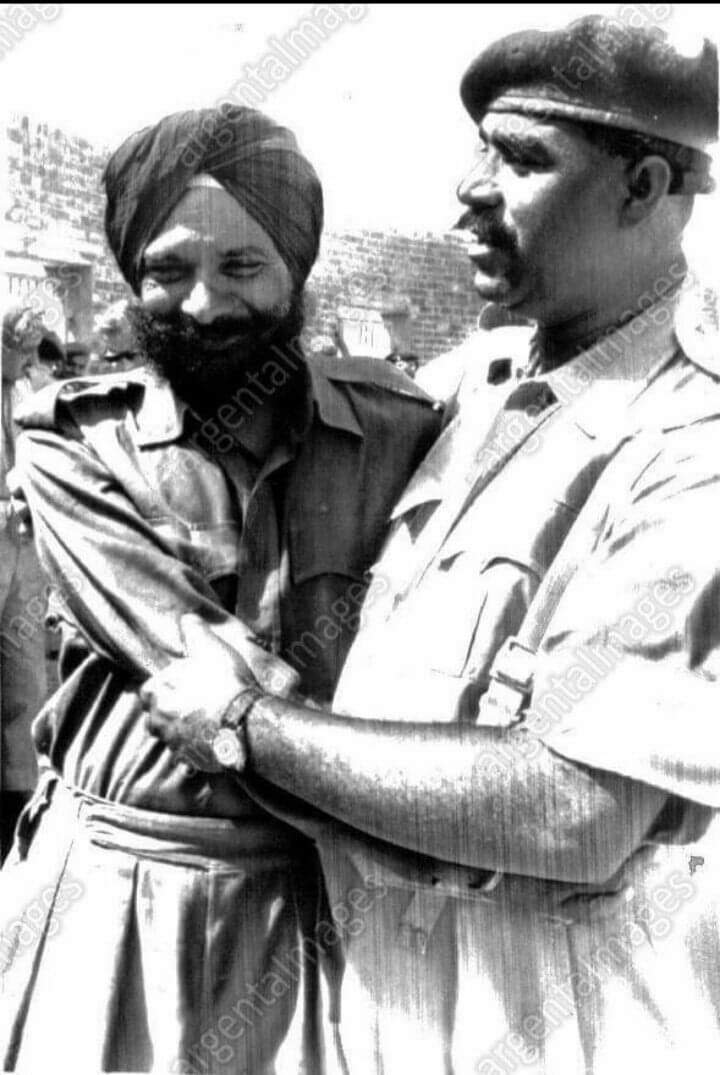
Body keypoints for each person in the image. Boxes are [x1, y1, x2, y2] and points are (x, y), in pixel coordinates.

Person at [142, 17, 720, 1074]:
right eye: (477, 148)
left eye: (521, 158)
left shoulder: (692, 446)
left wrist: (242, 723)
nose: (469, 187)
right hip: (377, 1007)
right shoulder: (468, 388)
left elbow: (571, 812)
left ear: (644, 188)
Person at [0, 106, 441, 1073]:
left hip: (317, 911)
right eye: (167, 270)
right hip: (113, 901)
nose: (201, 305)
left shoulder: (403, 431)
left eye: (242, 267)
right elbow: (194, 664)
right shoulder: (75, 442)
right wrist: (428, 802)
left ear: (297, 271)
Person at [0, 306, 50, 859]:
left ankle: (18, 806)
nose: (22, 355)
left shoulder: (25, 389)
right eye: (12, 345)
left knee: (24, 685)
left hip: (20, 546)